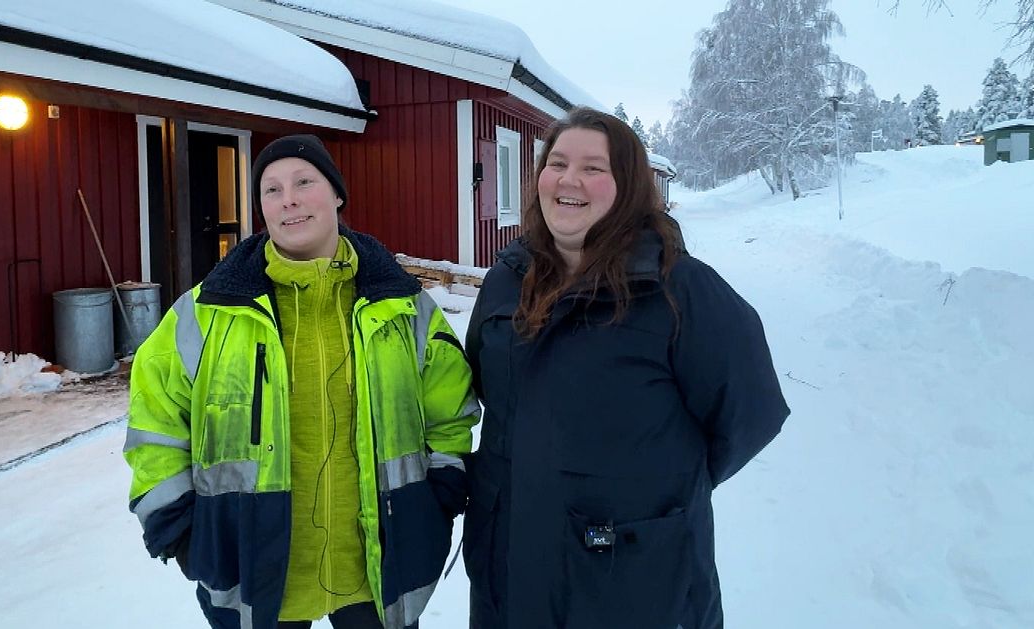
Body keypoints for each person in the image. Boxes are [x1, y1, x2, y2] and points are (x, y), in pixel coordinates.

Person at [124, 134, 479, 629]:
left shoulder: (403, 306)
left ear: (336, 194)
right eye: (271, 189)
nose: (287, 198)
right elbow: (154, 421)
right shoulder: (206, 313)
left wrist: (441, 492)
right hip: (253, 566)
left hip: (381, 564)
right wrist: (177, 526)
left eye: (303, 181)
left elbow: (451, 409)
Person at [463, 108, 790, 629]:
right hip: (508, 557)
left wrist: (653, 492)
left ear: (629, 186)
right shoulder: (507, 280)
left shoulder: (681, 291)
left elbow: (750, 414)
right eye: (558, 163)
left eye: (594, 168)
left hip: (631, 571)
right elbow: (488, 384)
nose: (570, 180)